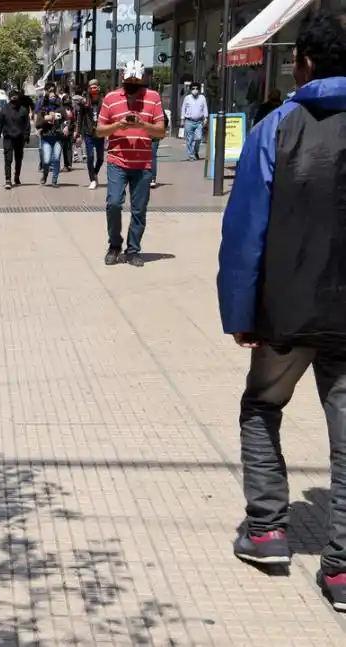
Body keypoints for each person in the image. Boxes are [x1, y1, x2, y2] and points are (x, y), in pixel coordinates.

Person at [217, 10, 346, 612]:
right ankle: (342, 570)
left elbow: (246, 232)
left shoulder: (275, 129)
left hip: (286, 311)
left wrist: (241, 311)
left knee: (263, 404)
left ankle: (267, 531)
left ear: (303, 63)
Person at [94, 60, 165, 268]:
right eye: (129, 79)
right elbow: (99, 131)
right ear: (123, 77)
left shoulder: (153, 98)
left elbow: (160, 131)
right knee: (114, 203)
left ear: (142, 78)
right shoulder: (110, 98)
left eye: (136, 79)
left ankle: (133, 249)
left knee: (139, 209)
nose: (133, 82)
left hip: (143, 163)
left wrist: (143, 124)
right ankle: (114, 245)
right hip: (118, 161)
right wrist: (118, 124)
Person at [0, 92, 30, 189]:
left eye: (16, 97)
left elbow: (27, 125)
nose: (14, 99)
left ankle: (17, 176)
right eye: (12, 97)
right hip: (8, 138)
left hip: (20, 138)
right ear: (9, 98)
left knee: (18, 159)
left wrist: (26, 137)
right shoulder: (4, 110)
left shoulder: (23, 110)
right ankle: (8, 180)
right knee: (8, 159)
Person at [76, 79, 106, 189]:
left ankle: (95, 173)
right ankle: (92, 179)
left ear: (98, 87)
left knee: (101, 158)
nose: (93, 89)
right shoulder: (85, 102)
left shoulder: (103, 102)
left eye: (95, 86)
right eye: (91, 86)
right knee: (90, 157)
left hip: (100, 133)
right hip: (88, 133)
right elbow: (79, 118)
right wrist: (78, 133)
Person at [34, 86, 66, 186]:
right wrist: (46, 118)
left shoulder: (60, 109)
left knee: (56, 159)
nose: (52, 97)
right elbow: (38, 124)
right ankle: (45, 174)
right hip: (46, 137)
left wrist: (66, 126)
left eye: (54, 95)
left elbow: (67, 120)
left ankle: (54, 181)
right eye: (50, 95)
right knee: (47, 160)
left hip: (58, 137)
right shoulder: (43, 109)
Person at [179, 82, 208, 161]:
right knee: (189, 140)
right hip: (189, 121)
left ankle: (195, 151)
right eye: (193, 89)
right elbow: (183, 108)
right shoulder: (187, 98)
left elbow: (205, 108)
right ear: (190, 90)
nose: (195, 90)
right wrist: (182, 119)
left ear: (199, 90)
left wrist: (206, 118)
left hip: (199, 122)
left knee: (198, 138)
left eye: (196, 89)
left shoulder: (202, 98)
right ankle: (191, 156)